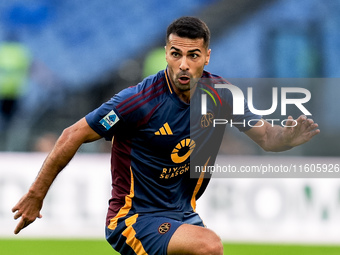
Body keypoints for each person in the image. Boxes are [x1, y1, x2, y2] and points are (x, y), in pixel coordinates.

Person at [12, 16, 320, 255]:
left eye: (193, 55)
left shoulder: (221, 96)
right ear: (166, 54)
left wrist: (288, 137)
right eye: (176, 54)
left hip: (183, 215)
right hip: (134, 219)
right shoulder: (138, 101)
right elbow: (72, 134)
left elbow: (267, 138)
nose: (184, 64)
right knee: (208, 245)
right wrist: (36, 195)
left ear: (207, 56)